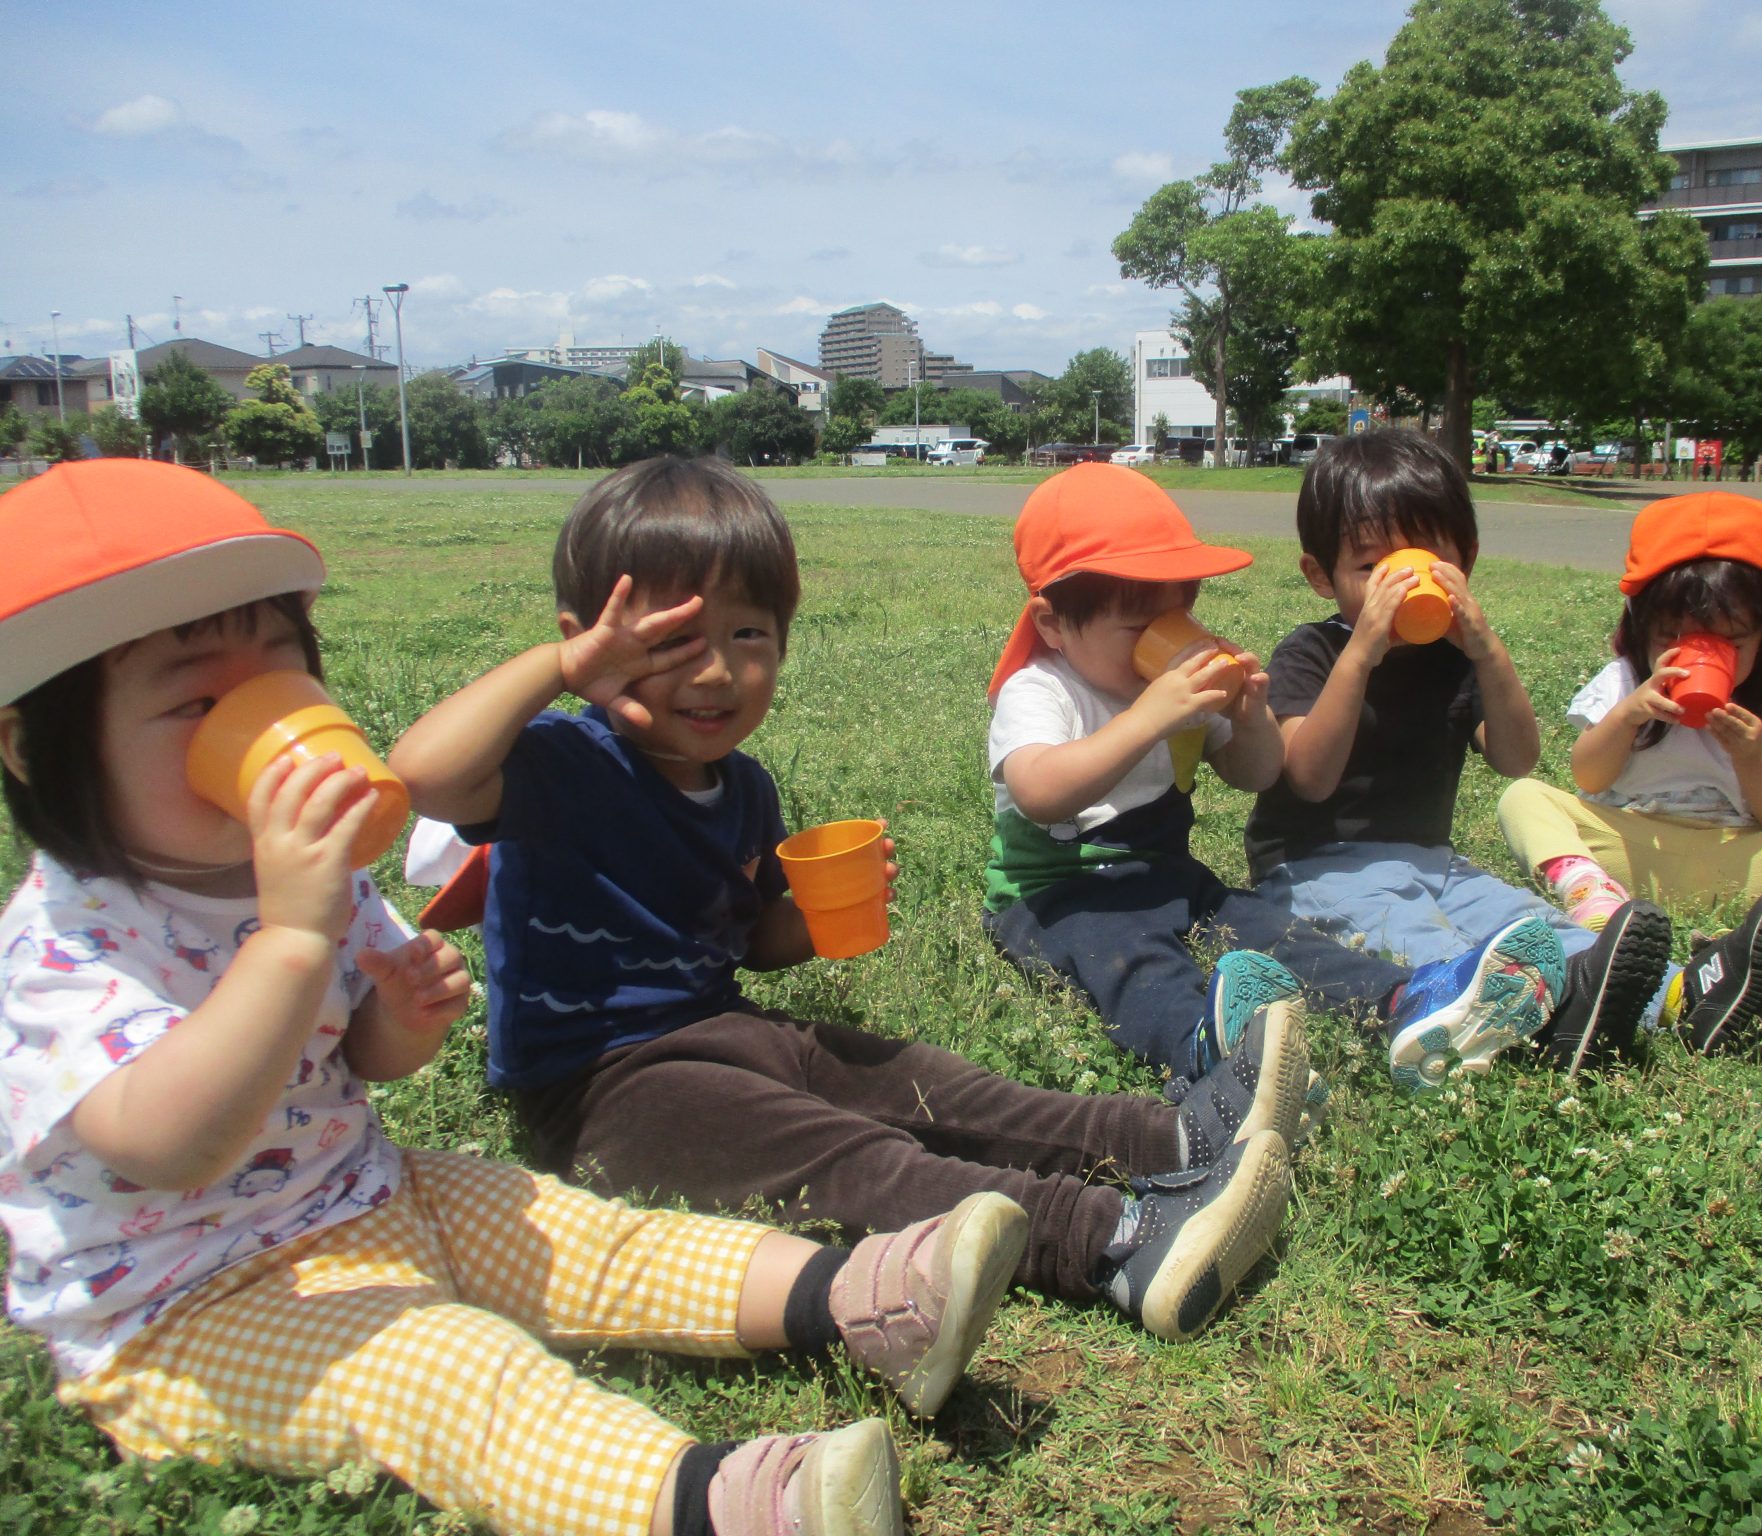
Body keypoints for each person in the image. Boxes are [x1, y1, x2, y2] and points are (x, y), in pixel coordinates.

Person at [0, 461, 1030, 1536]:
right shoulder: (66, 953)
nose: (269, 726)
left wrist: (397, 1016)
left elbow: (357, 1057)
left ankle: (863, 1297)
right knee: (441, 1365)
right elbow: (167, 1143)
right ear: (35, 749)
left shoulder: (300, 870)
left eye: (282, 677)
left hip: (368, 1196)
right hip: (189, 1311)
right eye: (203, 705)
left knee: (581, 1234)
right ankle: (716, 1503)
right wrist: (297, 939)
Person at [388, 456, 1305, 1346]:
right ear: (590, 640)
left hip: (723, 1024)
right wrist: (559, 666)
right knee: (842, 1156)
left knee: (917, 1079)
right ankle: (1111, 1242)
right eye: (669, 642)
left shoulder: (742, 789)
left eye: (747, 637)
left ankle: (1172, 1136)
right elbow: (422, 774)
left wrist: (820, 923)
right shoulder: (560, 764)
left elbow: (748, 940)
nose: (713, 673)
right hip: (599, 1085)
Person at [981, 462, 1565, 1097]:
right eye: (1138, 628)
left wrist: (1248, 714)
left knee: (1269, 927)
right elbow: (1039, 792)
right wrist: (1149, 719)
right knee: (1129, 958)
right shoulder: (1040, 688)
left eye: (1183, 612)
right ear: (1052, 625)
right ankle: (1207, 1051)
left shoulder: (1176, 689)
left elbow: (1255, 773)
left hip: (1170, 875)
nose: (1173, 636)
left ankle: (1404, 1000)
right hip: (1061, 893)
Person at [1246, 431, 1671, 1077]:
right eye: (1370, 570)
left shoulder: (1458, 662)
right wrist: (1362, 653)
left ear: (1464, 562)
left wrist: (1486, 651)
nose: (1398, 588)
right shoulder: (1313, 653)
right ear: (1319, 576)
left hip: (1435, 863)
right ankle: (1545, 1017)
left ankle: (1677, 991)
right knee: (1428, 943)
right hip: (1316, 869)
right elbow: (1307, 776)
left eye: (1423, 561)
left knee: (1525, 923)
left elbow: (1516, 758)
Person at [1496, 491, 1762, 1054]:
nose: (1700, 658)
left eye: (1731, 643)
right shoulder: (1622, 683)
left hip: (1747, 857)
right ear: (1639, 630)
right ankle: (1595, 901)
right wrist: (1631, 713)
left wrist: (1752, 754)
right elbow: (1587, 776)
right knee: (1525, 797)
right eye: (1671, 639)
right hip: (1636, 850)